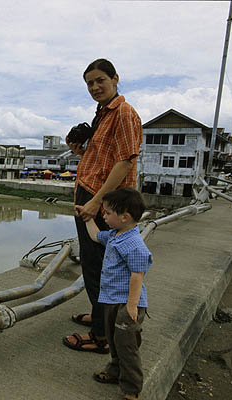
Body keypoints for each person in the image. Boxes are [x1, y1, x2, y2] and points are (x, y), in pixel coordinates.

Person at [63, 58, 143, 354]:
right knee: (93, 263)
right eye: (89, 83)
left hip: (103, 200)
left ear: (115, 79)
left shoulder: (123, 113)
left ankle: (101, 336)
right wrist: (80, 150)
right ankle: (100, 317)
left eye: (100, 81)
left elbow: (124, 162)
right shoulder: (103, 114)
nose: (95, 87)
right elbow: (104, 157)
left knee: (100, 268)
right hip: (92, 195)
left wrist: (97, 203)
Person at [78, 187, 152, 400]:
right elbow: (94, 236)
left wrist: (131, 305)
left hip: (127, 304)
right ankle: (114, 371)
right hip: (111, 300)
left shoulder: (133, 244)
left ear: (124, 217)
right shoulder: (114, 235)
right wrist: (87, 217)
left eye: (108, 213)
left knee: (126, 345)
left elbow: (137, 275)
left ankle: (132, 389)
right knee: (114, 340)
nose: (104, 215)